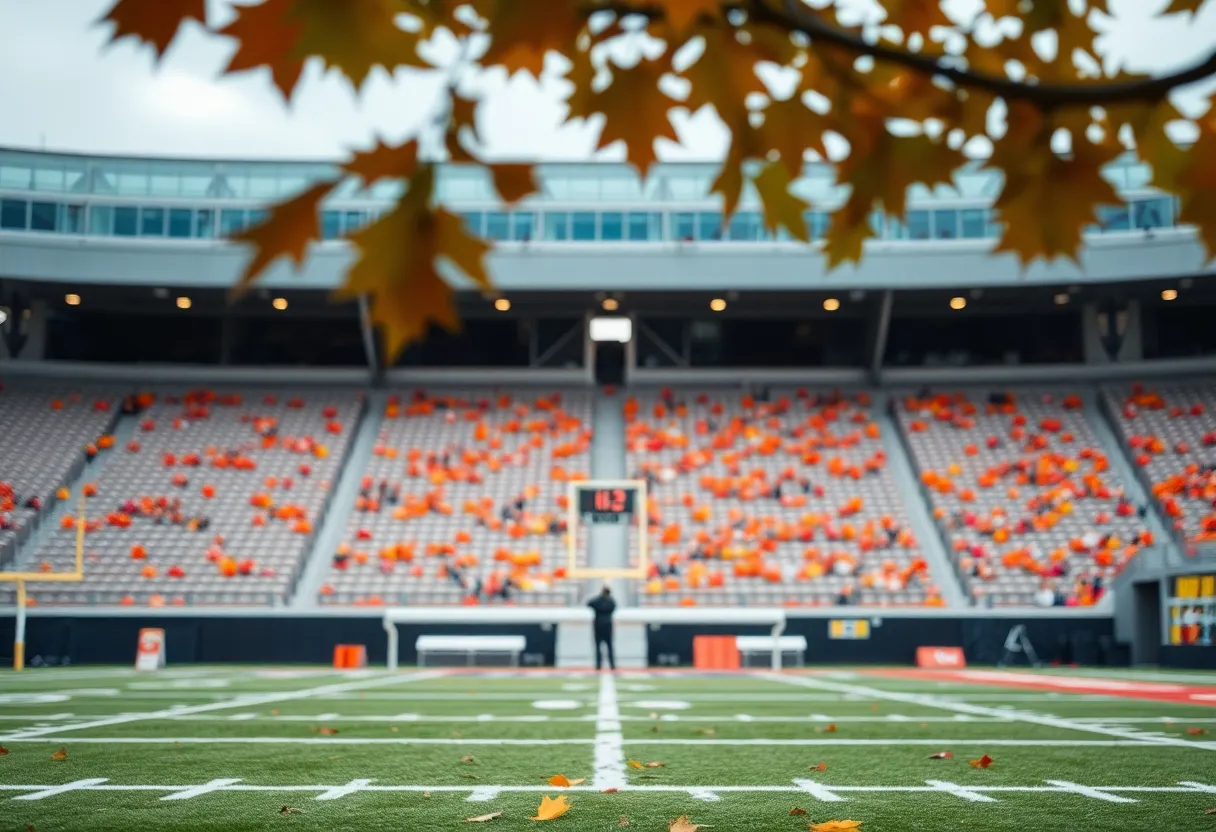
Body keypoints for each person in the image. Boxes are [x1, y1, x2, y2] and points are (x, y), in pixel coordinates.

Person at [587, 586, 617, 671]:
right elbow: (614, 607)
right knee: (610, 646)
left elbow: (589, 603)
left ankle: (598, 665)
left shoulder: (597, 601)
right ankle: (612, 665)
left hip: (598, 624)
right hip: (608, 624)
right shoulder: (611, 601)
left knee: (598, 646)